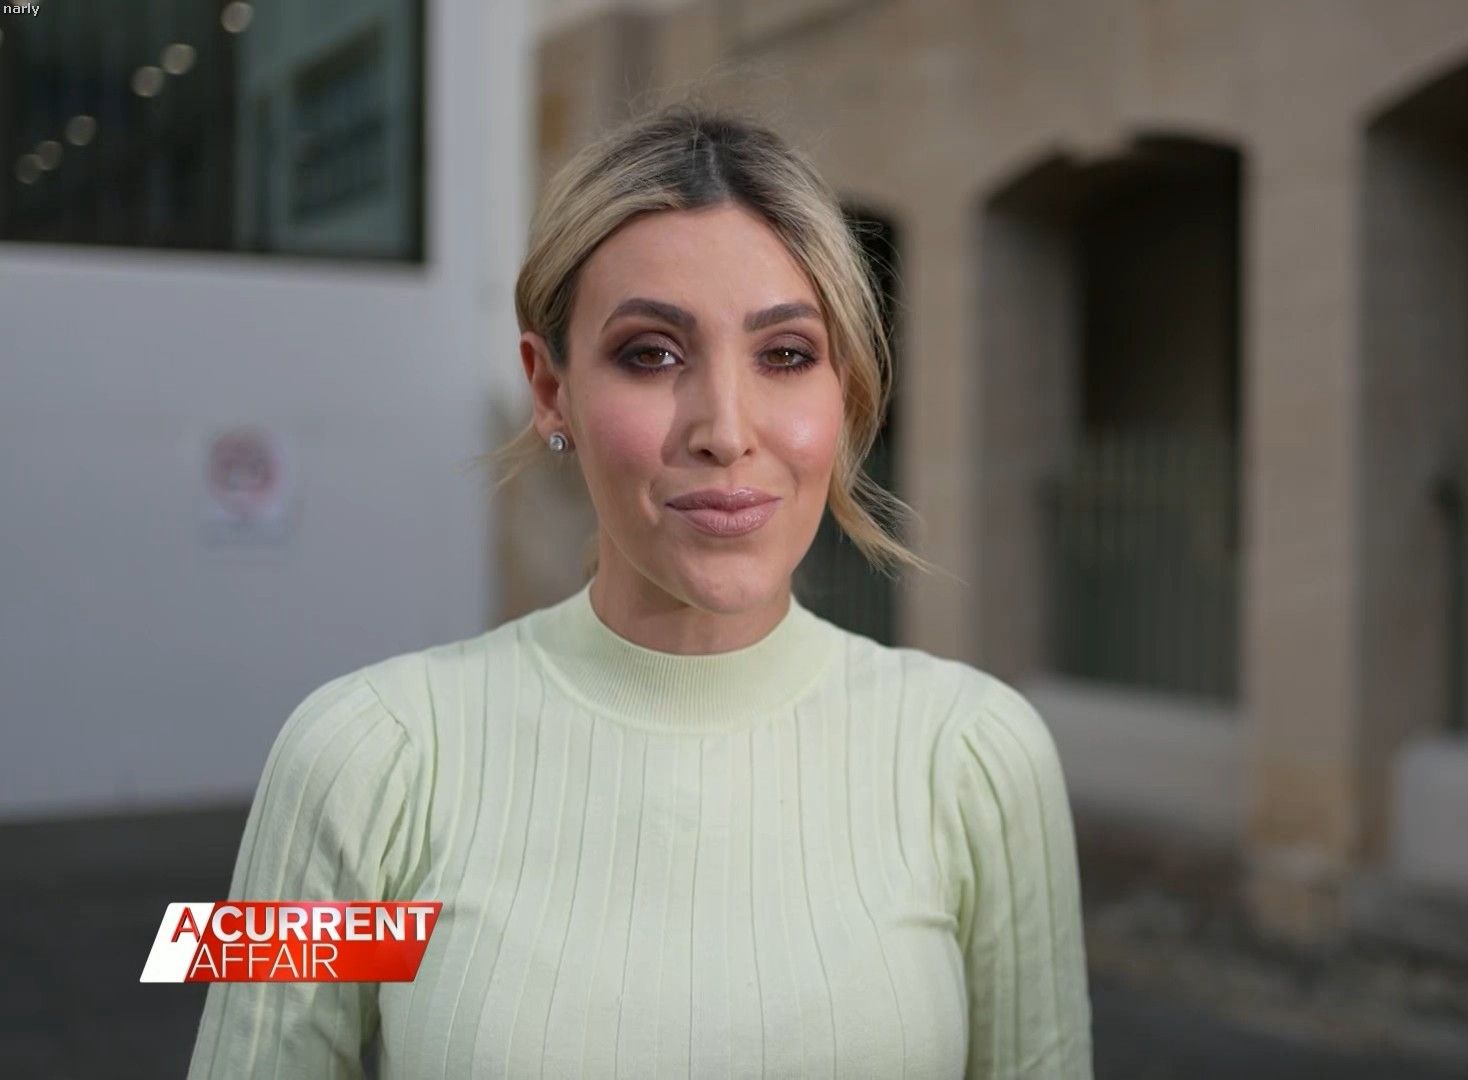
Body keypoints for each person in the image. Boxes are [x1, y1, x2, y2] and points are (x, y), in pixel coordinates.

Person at [185, 105, 1094, 1078]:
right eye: (651, 353)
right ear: (550, 390)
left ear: (847, 391)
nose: (725, 430)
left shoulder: (980, 757)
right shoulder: (362, 757)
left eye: (786, 355)